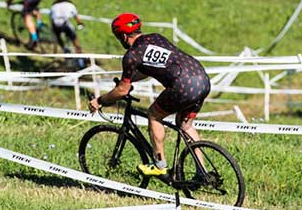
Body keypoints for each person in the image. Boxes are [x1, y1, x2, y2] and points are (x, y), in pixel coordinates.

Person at [89, 13, 211, 179]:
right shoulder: (156, 37)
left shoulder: (132, 56)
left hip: (183, 85)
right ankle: (202, 173)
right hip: (202, 79)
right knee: (186, 125)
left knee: (154, 114)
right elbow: (150, 68)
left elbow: (122, 91)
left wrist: (100, 100)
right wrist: (128, 81)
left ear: (123, 36)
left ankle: (159, 165)